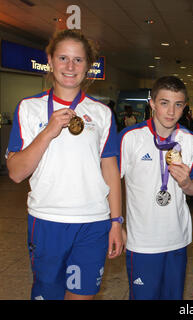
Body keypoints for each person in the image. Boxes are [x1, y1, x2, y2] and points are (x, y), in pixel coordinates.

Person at [6, 29, 123, 300]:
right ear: (50, 60)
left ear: (88, 66)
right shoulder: (29, 107)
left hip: (92, 223)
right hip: (47, 220)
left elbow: (110, 170)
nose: (70, 67)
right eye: (63, 58)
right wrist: (48, 131)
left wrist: (115, 221)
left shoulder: (101, 113)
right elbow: (16, 172)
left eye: (78, 60)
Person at [118, 76, 193, 300]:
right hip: (142, 241)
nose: (170, 111)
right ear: (152, 103)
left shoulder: (191, 141)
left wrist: (185, 183)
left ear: (185, 107)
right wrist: (115, 222)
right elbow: (108, 184)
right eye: (164, 103)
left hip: (177, 238)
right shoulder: (130, 137)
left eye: (178, 104)